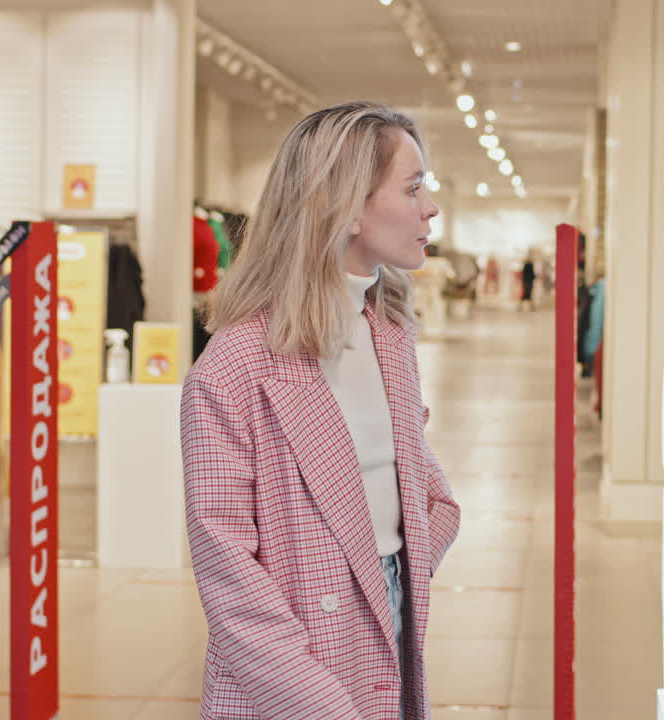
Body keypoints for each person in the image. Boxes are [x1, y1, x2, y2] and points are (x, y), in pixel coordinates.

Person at [181, 101, 461, 720]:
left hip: (387, 602)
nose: (430, 208)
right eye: (412, 188)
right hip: (292, 643)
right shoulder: (236, 364)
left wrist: (403, 557)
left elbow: (411, 470)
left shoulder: (387, 330)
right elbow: (223, 559)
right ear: (348, 205)